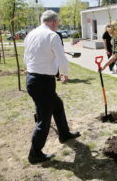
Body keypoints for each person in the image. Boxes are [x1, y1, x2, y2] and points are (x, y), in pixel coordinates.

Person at [24, 10, 80, 164]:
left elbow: (26, 56)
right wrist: (64, 74)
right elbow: (61, 58)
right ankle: (34, 154)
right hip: (43, 82)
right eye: (58, 23)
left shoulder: (31, 34)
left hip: (32, 78)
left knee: (57, 105)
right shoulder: (52, 35)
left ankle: (64, 134)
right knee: (44, 119)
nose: (58, 25)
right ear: (54, 22)